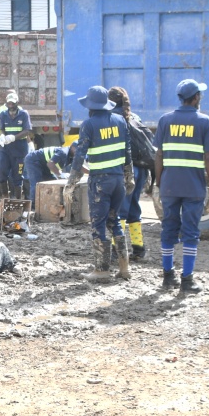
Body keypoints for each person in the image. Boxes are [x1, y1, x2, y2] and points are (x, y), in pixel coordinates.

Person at [154, 79, 209, 294]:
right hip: (193, 188)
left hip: (170, 187)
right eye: (200, 94)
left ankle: (167, 278)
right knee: (190, 232)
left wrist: (158, 183)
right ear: (196, 98)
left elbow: (159, 155)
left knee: (168, 229)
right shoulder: (204, 122)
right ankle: (187, 281)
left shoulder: (165, 120)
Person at [66, 85, 133, 282]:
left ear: (91, 106)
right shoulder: (120, 120)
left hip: (100, 182)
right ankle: (124, 268)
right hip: (118, 180)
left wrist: (71, 184)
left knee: (99, 224)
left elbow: (79, 157)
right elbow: (127, 152)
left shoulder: (89, 124)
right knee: (115, 222)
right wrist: (130, 178)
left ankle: (101, 270)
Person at [108, 86, 155, 261]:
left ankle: (116, 250)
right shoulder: (134, 117)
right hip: (141, 169)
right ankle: (138, 248)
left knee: (120, 209)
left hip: (125, 169)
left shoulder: (112, 118)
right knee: (134, 207)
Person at [0, 91, 32, 199]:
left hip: (19, 149)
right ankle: (5, 196)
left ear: (17, 102)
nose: (11, 105)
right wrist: (1, 136)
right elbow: (1, 128)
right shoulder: (3, 114)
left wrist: (14, 137)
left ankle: (17, 199)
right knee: (2, 171)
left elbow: (27, 131)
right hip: (6, 149)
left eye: (13, 103)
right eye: (9, 103)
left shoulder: (23, 114)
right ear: (6, 103)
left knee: (18, 175)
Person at [22, 142, 72, 207]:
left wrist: (89, 172)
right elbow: (50, 164)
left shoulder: (72, 156)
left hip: (44, 165)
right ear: (72, 148)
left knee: (52, 182)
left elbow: (80, 166)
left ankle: (49, 203)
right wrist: (60, 174)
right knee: (36, 183)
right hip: (33, 160)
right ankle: (33, 206)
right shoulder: (63, 152)